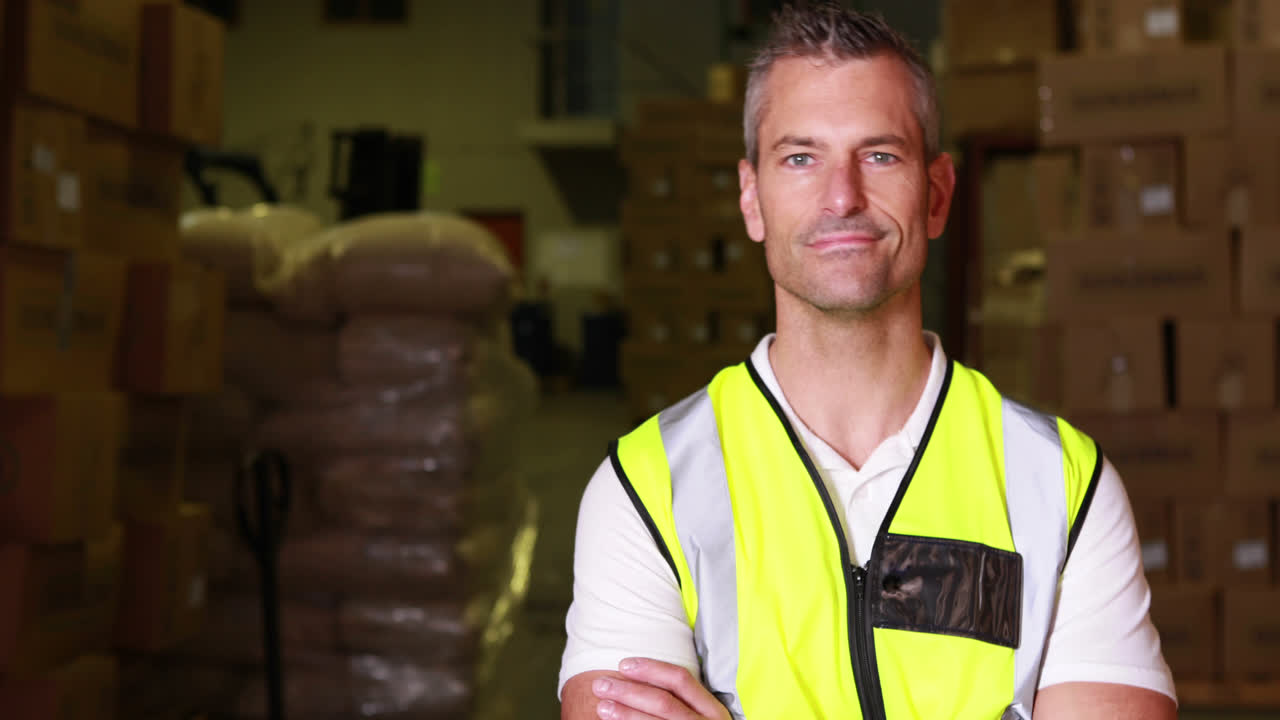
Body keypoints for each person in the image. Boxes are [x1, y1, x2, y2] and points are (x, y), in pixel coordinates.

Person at [559, 3, 1177, 719]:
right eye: (800, 158)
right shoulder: (645, 489)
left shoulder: (1063, 487)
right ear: (751, 199)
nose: (842, 197)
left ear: (936, 194)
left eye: (880, 155)